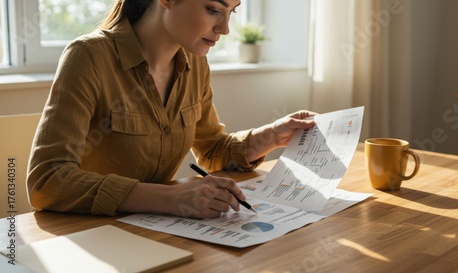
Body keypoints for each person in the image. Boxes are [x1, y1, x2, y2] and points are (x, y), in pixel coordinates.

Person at [27, 0, 316, 219]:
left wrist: (273, 135)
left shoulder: (195, 63)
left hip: (163, 233)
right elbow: (47, 179)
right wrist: (168, 197)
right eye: (214, 9)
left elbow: (213, 151)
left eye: (232, 11)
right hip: (93, 236)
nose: (225, 29)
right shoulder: (89, 57)